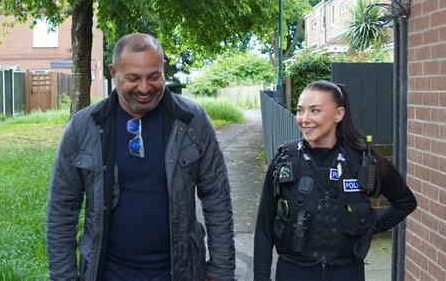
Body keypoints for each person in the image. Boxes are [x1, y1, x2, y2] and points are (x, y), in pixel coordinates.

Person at [46, 33, 235, 281]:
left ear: (163, 68)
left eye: (154, 77)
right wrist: (64, 277)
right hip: (108, 273)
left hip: (179, 272)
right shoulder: (84, 127)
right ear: (113, 73)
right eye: (133, 78)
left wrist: (221, 272)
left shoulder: (192, 121)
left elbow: (217, 197)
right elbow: (62, 207)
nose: (145, 88)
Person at [253, 80, 417, 281]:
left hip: (347, 272)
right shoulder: (284, 160)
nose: (304, 119)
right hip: (293, 272)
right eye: (300, 110)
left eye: (315, 111)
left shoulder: (361, 161)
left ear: (338, 114)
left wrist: (370, 228)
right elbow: (263, 230)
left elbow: (405, 202)